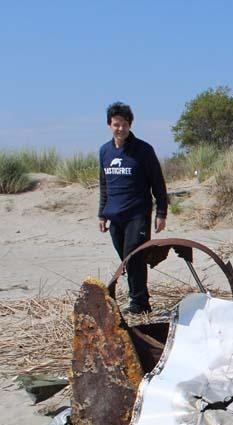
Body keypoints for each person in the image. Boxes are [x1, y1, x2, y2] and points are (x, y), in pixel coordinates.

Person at [97, 102, 168, 314]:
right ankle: (138, 298)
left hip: (137, 214)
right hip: (114, 216)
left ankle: (139, 303)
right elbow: (104, 185)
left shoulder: (143, 150)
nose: (120, 129)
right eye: (116, 124)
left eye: (124, 124)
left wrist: (161, 212)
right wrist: (102, 214)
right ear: (109, 124)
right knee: (126, 260)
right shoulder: (104, 151)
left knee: (133, 256)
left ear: (130, 125)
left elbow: (158, 182)